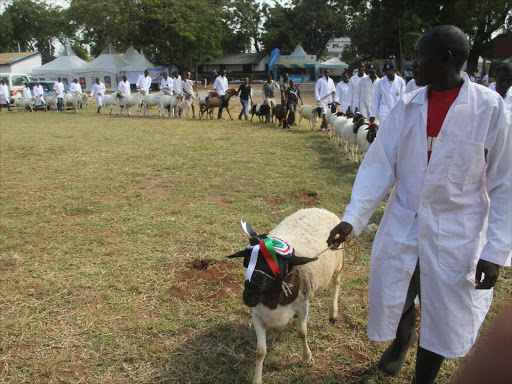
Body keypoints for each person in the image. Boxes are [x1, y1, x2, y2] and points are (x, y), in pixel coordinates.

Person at [327, 25, 511, 384]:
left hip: (459, 230)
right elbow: (380, 164)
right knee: (397, 291)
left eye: (419, 56)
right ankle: (401, 340)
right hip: (405, 220)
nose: (412, 64)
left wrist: (496, 251)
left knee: (443, 313)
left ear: (445, 59)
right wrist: (352, 218)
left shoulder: (489, 109)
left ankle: (423, 378)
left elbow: (506, 183)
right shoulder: (407, 105)